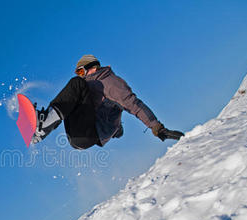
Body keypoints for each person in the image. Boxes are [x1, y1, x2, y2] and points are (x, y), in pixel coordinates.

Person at [32, 55, 184, 149]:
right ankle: (42, 128)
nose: (81, 75)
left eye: (81, 71)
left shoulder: (109, 82)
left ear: (93, 67)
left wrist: (157, 127)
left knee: (76, 84)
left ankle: (44, 124)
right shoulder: (92, 87)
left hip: (90, 134)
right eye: (79, 73)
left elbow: (133, 104)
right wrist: (117, 130)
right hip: (80, 134)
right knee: (72, 97)